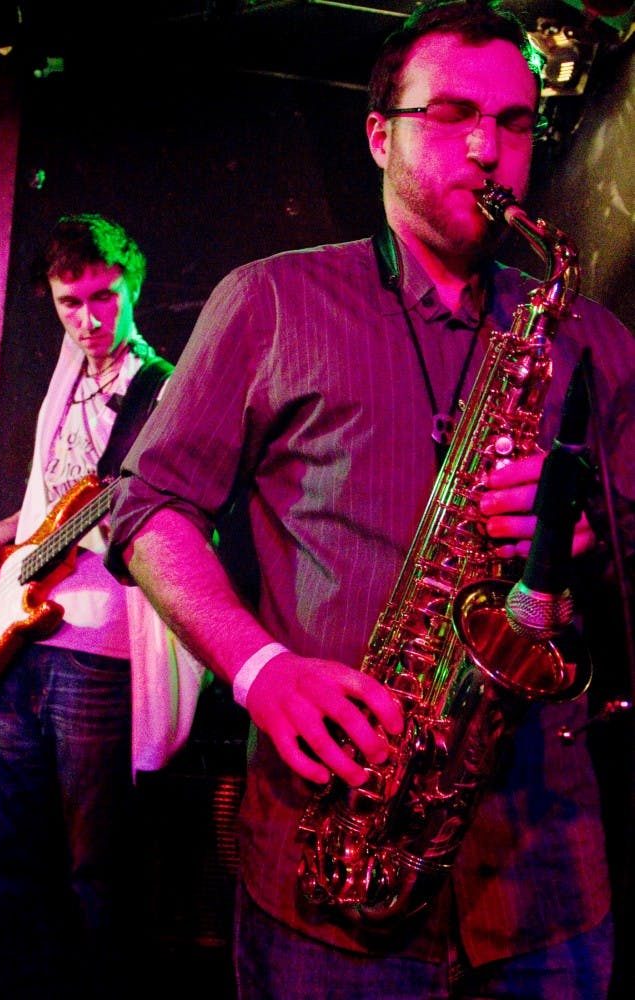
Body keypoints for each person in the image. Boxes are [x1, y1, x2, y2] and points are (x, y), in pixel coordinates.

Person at [107, 2, 635, 997]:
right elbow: (149, 510)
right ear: (379, 134)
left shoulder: (592, 338)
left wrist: (578, 537)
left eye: (518, 122)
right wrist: (260, 669)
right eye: (455, 114)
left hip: (548, 888)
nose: (490, 148)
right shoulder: (270, 301)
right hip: (328, 881)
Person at [0, 213, 204, 998]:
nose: (87, 320)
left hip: (98, 655)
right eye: (68, 302)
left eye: (102, 296)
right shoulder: (64, 379)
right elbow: (49, 507)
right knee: (14, 854)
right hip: (22, 642)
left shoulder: (162, 389)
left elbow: (167, 515)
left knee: (98, 867)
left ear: (133, 286)